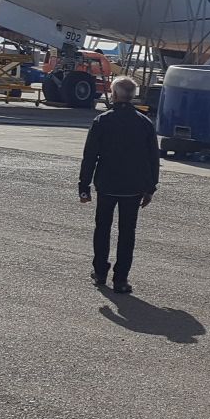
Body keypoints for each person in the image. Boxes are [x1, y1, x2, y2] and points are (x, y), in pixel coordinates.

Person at [78, 76, 160, 293]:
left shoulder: (102, 121)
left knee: (102, 228)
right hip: (133, 186)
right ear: (133, 96)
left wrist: (84, 186)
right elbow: (153, 158)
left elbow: (90, 156)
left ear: (114, 95)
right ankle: (121, 279)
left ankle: (100, 272)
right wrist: (151, 187)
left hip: (107, 183)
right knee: (127, 233)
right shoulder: (144, 123)